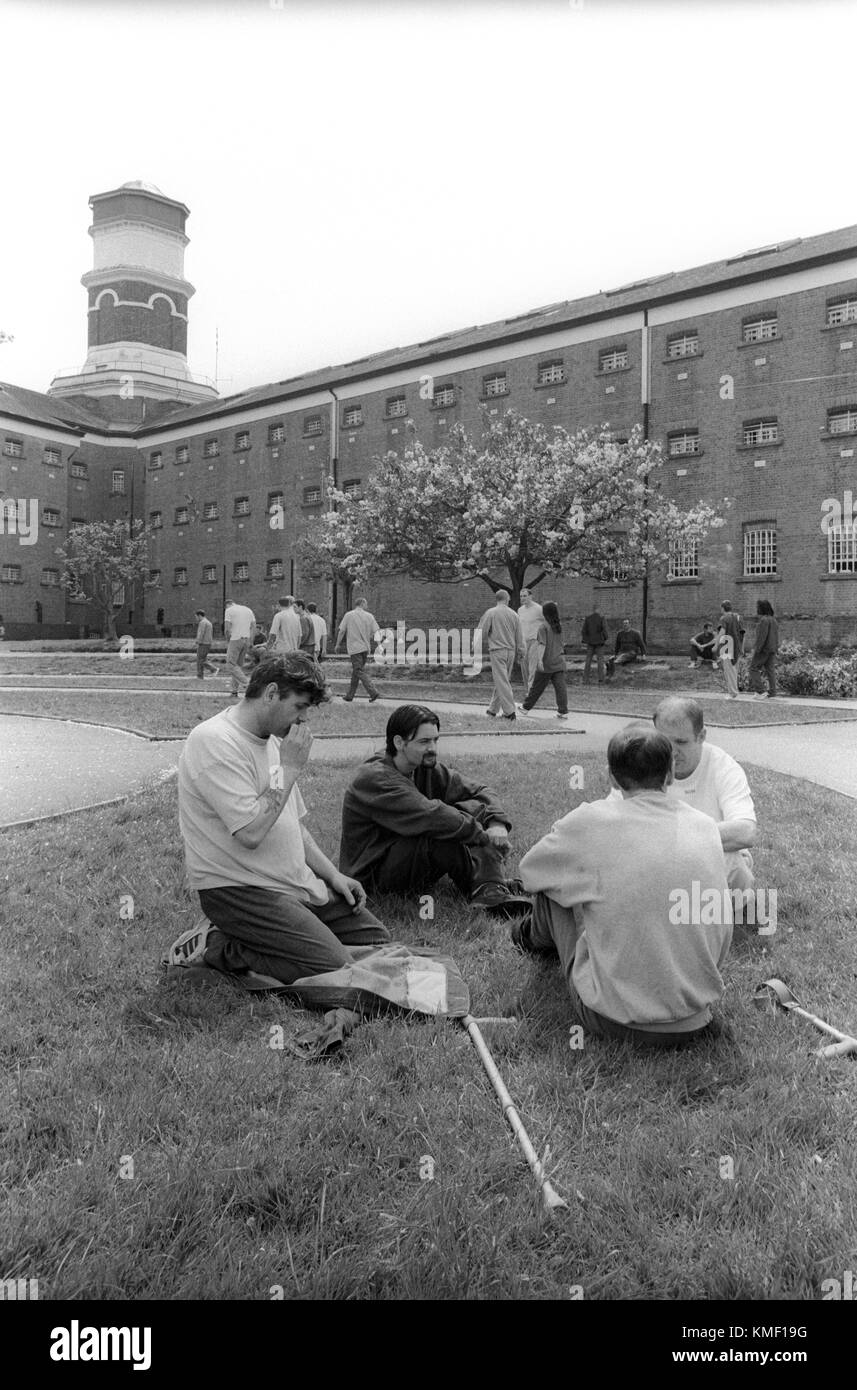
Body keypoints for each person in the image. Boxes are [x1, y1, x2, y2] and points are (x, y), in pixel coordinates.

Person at [177, 653, 389, 985]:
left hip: (293, 883)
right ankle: (222, 947)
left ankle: (282, 936)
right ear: (272, 693)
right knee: (335, 970)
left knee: (376, 940)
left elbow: (292, 823)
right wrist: (288, 769)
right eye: (300, 706)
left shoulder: (276, 742)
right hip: (242, 890)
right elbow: (250, 832)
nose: (303, 719)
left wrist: (333, 876)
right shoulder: (214, 740)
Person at [516, 726, 731, 1047]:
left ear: (612, 778)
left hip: (615, 1021)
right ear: (671, 773)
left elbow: (530, 874)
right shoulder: (706, 827)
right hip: (697, 1018)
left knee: (554, 891)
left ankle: (526, 939)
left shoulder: (589, 821)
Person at [339, 704, 530, 916]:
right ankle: (488, 889)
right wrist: (485, 838)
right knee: (444, 828)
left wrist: (497, 825)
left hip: (403, 854)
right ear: (399, 742)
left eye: (435, 740)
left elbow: (480, 791)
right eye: (424, 741)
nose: (433, 748)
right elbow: (433, 816)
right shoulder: (375, 778)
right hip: (373, 877)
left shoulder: (422, 765)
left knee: (470, 809)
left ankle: (490, 885)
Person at [650, 696, 757, 897]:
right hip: (662, 858)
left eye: (681, 742)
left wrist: (675, 838)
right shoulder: (643, 763)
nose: (672, 752)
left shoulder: (723, 767)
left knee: (733, 861)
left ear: (702, 736)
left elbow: (745, 832)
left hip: (713, 857)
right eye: (664, 741)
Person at [479, 589, 525, 720]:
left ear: (497, 599)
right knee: (502, 680)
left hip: (497, 650)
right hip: (511, 651)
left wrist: (474, 646)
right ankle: (492, 710)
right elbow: (520, 636)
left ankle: (509, 712)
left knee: (502, 681)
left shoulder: (491, 613)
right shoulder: (514, 614)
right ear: (507, 598)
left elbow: (482, 631)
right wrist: (521, 651)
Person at [518, 601, 568, 719]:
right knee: (560, 687)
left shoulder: (543, 627)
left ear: (545, 613)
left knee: (537, 687)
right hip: (559, 660)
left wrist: (539, 661)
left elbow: (542, 644)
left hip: (546, 662)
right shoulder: (559, 626)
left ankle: (525, 708)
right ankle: (563, 710)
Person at [336, 596, 381, 701]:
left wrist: (337, 644)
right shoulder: (369, 616)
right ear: (362, 604)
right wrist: (379, 644)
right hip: (365, 648)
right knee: (356, 671)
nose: (367, 606)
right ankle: (350, 695)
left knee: (358, 671)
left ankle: (373, 692)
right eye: (366, 604)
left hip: (354, 648)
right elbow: (376, 631)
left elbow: (342, 631)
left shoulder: (349, 615)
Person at [224, 597, 256, 698]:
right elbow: (253, 626)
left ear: (227, 605)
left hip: (235, 639)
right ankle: (234, 692)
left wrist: (228, 640)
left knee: (230, 664)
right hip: (246, 639)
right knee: (237, 666)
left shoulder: (229, 610)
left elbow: (227, 629)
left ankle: (248, 685)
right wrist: (251, 640)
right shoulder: (248, 610)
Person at [748, 600, 779, 700]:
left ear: (761, 608)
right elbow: (776, 636)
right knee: (770, 670)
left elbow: (762, 636)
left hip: (763, 649)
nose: (756, 609)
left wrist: (757, 649)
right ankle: (772, 692)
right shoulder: (774, 620)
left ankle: (761, 691)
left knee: (753, 668)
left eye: (758, 607)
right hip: (772, 648)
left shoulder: (763, 620)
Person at [715, 600, 744, 700]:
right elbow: (742, 633)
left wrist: (715, 645)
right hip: (737, 646)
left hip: (727, 646)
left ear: (723, 608)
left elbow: (722, 632)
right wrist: (742, 647)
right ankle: (734, 691)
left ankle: (733, 693)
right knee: (734, 670)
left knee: (729, 670)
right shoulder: (738, 617)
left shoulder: (724, 618)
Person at [517, 588, 545, 691]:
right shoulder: (520, 610)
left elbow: (546, 623)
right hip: (523, 642)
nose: (522, 598)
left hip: (534, 641)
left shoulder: (539, 609)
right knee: (524, 669)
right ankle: (527, 690)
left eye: (525, 596)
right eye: (521, 596)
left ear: (530, 596)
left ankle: (530, 693)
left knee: (532, 668)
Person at [581, 606, 608, 684]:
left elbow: (583, 631)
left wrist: (586, 640)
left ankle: (585, 679)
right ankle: (601, 679)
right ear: (598, 610)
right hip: (599, 642)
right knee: (600, 660)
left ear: (593, 610)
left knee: (588, 660)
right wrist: (605, 638)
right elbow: (605, 629)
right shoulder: (601, 618)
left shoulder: (588, 618)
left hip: (590, 643)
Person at [194, 609, 218, 680]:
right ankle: (200, 676)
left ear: (199, 615)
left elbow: (201, 633)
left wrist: (198, 641)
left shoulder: (202, 622)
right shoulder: (208, 622)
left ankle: (213, 669)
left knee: (200, 660)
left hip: (203, 643)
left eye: (196, 617)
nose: (196, 618)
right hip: (207, 643)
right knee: (202, 660)